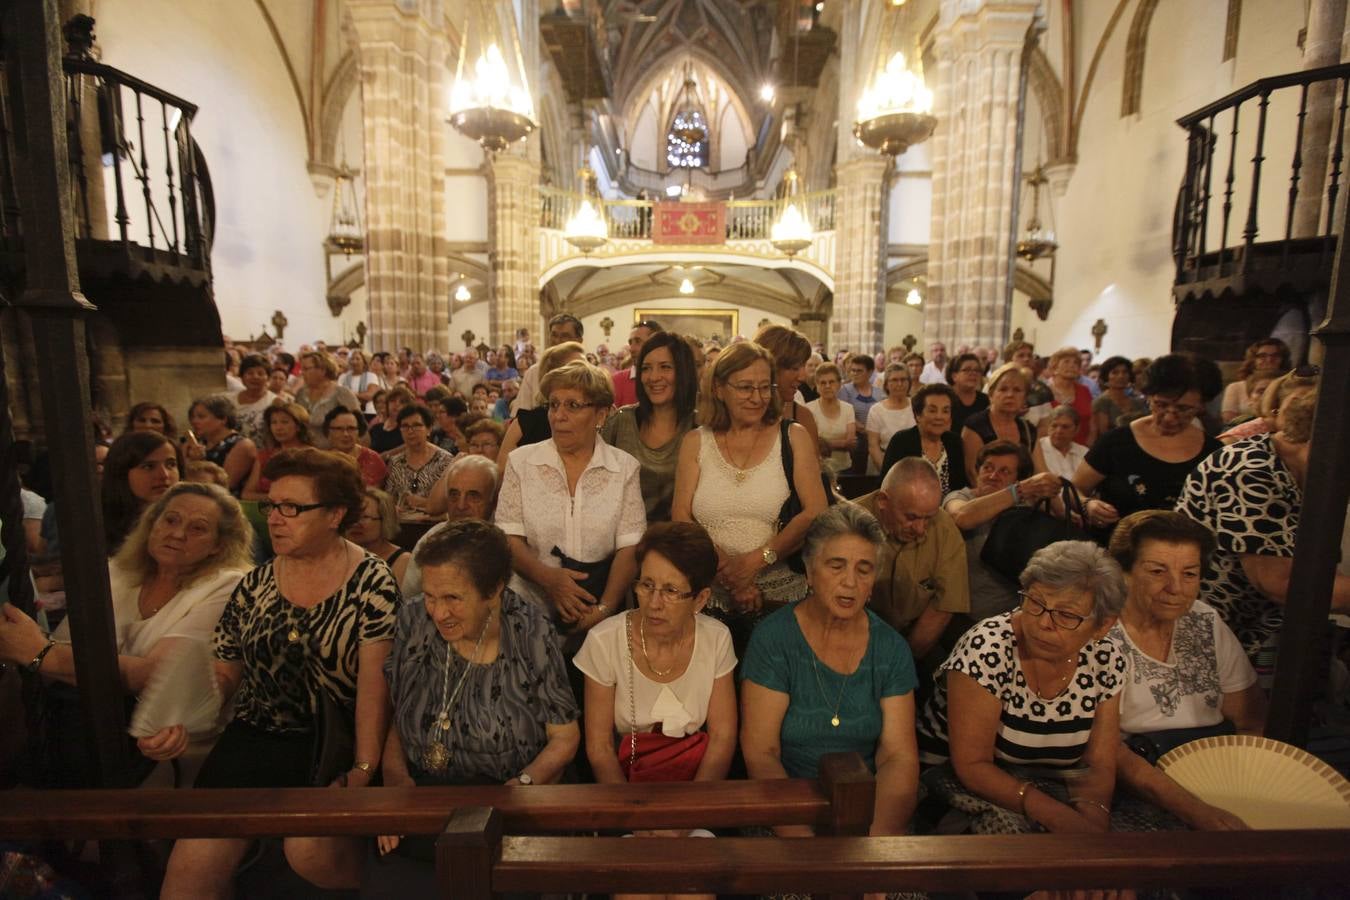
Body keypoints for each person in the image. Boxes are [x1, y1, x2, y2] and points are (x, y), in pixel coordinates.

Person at [141, 448, 398, 896]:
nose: (275, 519)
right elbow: (223, 675)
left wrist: (361, 770)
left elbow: (375, 694)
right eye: (271, 505)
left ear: (335, 514)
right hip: (256, 737)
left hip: (332, 743)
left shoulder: (372, 583)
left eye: (292, 508)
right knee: (188, 871)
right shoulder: (255, 584)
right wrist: (180, 717)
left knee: (310, 852)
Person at [368, 521, 578, 892]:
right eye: (431, 596)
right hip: (426, 793)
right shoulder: (414, 619)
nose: (438, 612)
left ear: (494, 589)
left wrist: (521, 786)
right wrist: (397, 787)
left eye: (452, 598)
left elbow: (564, 738)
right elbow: (398, 719)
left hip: (508, 795)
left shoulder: (530, 632)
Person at [0, 482, 251, 785]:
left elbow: (157, 675)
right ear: (152, 523)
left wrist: (40, 654)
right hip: (90, 724)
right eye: (170, 520)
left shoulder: (228, 585)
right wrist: (47, 655)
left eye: (198, 528)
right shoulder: (118, 571)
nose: (178, 534)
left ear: (218, 545)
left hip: (170, 741)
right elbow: (67, 647)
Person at [917, 541, 1128, 842]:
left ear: (1103, 625)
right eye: (1035, 603)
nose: (1043, 623)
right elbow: (973, 766)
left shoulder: (1106, 658)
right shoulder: (988, 647)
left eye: (1065, 615)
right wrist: (1061, 819)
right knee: (1020, 846)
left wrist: (1093, 826)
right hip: (956, 783)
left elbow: (1098, 765)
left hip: (1048, 785)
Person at [740, 505, 920, 837]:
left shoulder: (891, 648)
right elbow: (762, 754)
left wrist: (872, 849)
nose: (850, 582)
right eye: (836, 566)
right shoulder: (775, 639)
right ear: (809, 571)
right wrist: (812, 855)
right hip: (786, 815)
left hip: (867, 816)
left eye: (864, 569)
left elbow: (898, 758)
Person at [1103, 510, 1265, 831]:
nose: (1175, 587)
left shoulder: (1206, 621)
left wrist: (1245, 794)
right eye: (1157, 571)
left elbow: (1251, 721)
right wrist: (1195, 809)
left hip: (1221, 773)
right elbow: (1107, 751)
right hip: (1138, 783)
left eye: (1190, 574)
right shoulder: (1100, 632)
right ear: (1123, 572)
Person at [1178, 388, 1350, 684]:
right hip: (1220, 635)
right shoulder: (1250, 470)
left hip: (1256, 631)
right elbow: (1278, 582)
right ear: (1321, 443)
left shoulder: (1295, 470)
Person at [575, 522, 736, 812]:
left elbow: (723, 739)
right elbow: (599, 749)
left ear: (700, 599)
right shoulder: (604, 641)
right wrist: (635, 820)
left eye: (671, 591)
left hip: (696, 796)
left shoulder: (716, 638)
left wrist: (687, 817)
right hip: (624, 796)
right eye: (646, 585)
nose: (654, 603)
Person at [672, 341, 827, 627]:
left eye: (765, 387)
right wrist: (730, 574)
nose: (757, 398)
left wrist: (756, 562)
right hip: (708, 598)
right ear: (718, 388)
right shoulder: (696, 441)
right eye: (745, 387)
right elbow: (681, 516)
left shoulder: (794, 436)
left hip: (780, 600)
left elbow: (815, 510)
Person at [495, 360, 646, 639]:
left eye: (573, 406)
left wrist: (603, 608)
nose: (558, 415)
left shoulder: (623, 468)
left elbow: (630, 546)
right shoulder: (521, 462)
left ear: (601, 415)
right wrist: (548, 579)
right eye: (554, 405)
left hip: (601, 611)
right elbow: (508, 538)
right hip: (528, 612)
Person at [1073, 354, 1222, 537]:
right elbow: (1075, 489)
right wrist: (1088, 504)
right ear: (1148, 397)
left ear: (1201, 406)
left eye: (1183, 409)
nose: (1169, 417)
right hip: (1115, 550)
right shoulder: (1117, 442)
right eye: (1160, 405)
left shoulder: (1213, 453)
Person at [855, 458, 970, 664]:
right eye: (911, 517)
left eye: (928, 518)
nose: (920, 529)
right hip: (853, 634)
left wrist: (904, 661)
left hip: (912, 637)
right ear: (883, 501)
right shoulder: (847, 524)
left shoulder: (944, 529)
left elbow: (945, 604)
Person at [944, 441, 1063, 620]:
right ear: (977, 470)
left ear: (1017, 478)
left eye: (1004, 471)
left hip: (1013, 616)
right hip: (963, 615)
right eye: (987, 467)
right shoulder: (960, 497)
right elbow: (962, 517)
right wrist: (1022, 489)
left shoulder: (1025, 510)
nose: (993, 476)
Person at [600, 331, 699, 522]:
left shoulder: (699, 427)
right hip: (619, 537)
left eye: (665, 367)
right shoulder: (621, 422)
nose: (653, 377)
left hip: (677, 540)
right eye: (645, 368)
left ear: (683, 371)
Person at [403, 454, 500, 599]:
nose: (461, 505)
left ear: (493, 502)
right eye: (454, 495)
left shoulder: (505, 543)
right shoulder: (432, 538)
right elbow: (408, 597)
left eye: (473, 496)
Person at [496, 340, 585, 465]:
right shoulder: (527, 422)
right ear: (554, 376)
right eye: (579, 369)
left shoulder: (592, 415)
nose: (587, 374)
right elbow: (501, 469)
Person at [103, 431, 185, 554]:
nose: (164, 475)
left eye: (171, 464)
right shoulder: (99, 528)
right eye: (148, 466)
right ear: (121, 473)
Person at [878, 382, 967, 495]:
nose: (939, 417)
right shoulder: (901, 441)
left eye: (945, 411)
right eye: (932, 410)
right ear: (918, 415)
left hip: (950, 506)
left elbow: (960, 486)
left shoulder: (954, 442)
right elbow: (886, 487)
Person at [961, 363, 1037, 487]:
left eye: (1017, 390)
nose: (1010, 395)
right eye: (1003, 389)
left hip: (1022, 498)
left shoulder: (1028, 429)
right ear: (991, 395)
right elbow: (972, 473)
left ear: (1025, 398)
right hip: (984, 498)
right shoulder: (976, 425)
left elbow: (1038, 471)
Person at [753, 324, 821, 452]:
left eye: (803, 366)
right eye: (794, 368)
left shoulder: (803, 417)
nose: (802, 377)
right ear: (772, 366)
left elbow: (812, 469)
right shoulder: (738, 414)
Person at [185, 396, 257, 495]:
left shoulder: (242, 444)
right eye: (192, 417)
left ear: (222, 419)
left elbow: (226, 484)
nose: (194, 421)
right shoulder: (198, 443)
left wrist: (199, 462)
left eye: (201, 417)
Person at [514, 313, 584, 415]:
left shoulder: (587, 374)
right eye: (554, 335)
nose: (558, 341)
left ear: (579, 341)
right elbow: (520, 414)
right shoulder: (534, 372)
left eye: (565, 336)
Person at [385, 404, 455, 506]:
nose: (410, 431)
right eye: (405, 426)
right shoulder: (395, 462)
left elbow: (451, 501)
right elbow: (389, 498)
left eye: (416, 425)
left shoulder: (445, 460)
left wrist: (425, 503)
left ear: (429, 429)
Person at [241, 403, 312, 501]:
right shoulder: (264, 456)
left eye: (285, 422)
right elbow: (246, 494)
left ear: (298, 426)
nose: (278, 428)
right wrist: (274, 499)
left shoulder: (311, 455)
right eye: (274, 422)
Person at [293, 352, 360, 450]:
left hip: (334, 453)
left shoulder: (342, 393)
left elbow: (358, 427)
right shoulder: (301, 393)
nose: (301, 372)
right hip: (304, 452)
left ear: (322, 370)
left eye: (306, 369)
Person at [345, 487, 410, 586]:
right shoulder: (338, 555)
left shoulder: (403, 561)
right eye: (352, 516)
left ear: (385, 520)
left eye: (365, 517)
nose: (356, 523)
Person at [1035, 347, 1095, 446]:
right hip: (1049, 450)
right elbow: (1038, 427)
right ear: (1054, 368)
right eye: (1066, 362)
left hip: (1081, 449)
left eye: (1076, 363)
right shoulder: (1043, 391)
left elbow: (1092, 425)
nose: (1072, 365)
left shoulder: (1084, 390)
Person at [1220, 338, 1291, 423]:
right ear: (1253, 360)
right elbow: (1229, 419)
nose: (1269, 360)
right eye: (1262, 356)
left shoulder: (1290, 386)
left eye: (1275, 355)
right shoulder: (1235, 387)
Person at [804, 362, 855, 476]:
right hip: (817, 469)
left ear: (839, 384)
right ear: (817, 386)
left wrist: (824, 443)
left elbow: (851, 443)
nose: (827, 386)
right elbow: (810, 443)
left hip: (845, 469)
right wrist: (842, 443)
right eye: (822, 383)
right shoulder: (808, 409)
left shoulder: (848, 408)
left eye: (831, 382)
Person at [865, 363, 917, 475]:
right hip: (883, 464)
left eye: (903, 379)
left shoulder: (917, 405)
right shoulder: (876, 410)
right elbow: (873, 446)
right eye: (894, 380)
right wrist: (887, 472)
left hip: (914, 465)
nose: (899, 384)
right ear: (887, 384)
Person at [323, 407, 386, 488]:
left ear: (359, 431)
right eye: (338, 429)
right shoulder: (321, 461)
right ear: (328, 432)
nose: (346, 434)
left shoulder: (373, 459)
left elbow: (376, 495)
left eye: (351, 428)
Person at [612, 319, 663, 408]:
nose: (631, 349)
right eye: (630, 342)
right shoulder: (616, 381)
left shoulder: (667, 378)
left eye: (638, 341)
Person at [1092, 356, 1147, 437]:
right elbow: (1103, 433)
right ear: (1107, 376)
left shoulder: (1138, 402)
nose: (1121, 376)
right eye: (1115, 372)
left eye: (1125, 372)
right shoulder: (1102, 402)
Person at [1033, 405, 1089, 480]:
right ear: (1048, 426)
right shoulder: (1036, 450)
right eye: (1054, 426)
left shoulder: (1084, 452)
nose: (1058, 431)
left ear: (1077, 429)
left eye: (1065, 427)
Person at [235, 353, 278, 445]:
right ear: (242, 377)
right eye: (250, 373)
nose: (255, 377)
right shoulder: (229, 400)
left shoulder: (275, 402)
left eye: (260, 373)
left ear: (268, 378)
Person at [945, 351, 990, 436]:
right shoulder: (944, 399)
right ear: (954, 376)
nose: (973, 373)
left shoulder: (985, 400)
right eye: (967, 370)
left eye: (977, 370)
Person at [839, 352, 880, 430]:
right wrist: (867, 431)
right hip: (854, 437)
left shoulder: (879, 393)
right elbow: (845, 416)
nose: (855, 373)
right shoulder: (844, 390)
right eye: (853, 370)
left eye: (859, 371)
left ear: (870, 372)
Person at [339, 350, 385, 417]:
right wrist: (360, 395)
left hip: (367, 412)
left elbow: (370, 395)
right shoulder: (343, 377)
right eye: (352, 359)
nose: (354, 362)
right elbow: (340, 395)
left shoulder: (371, 376)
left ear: (364, 362)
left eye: (357, 359)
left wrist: (350, 394)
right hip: (346, 412)